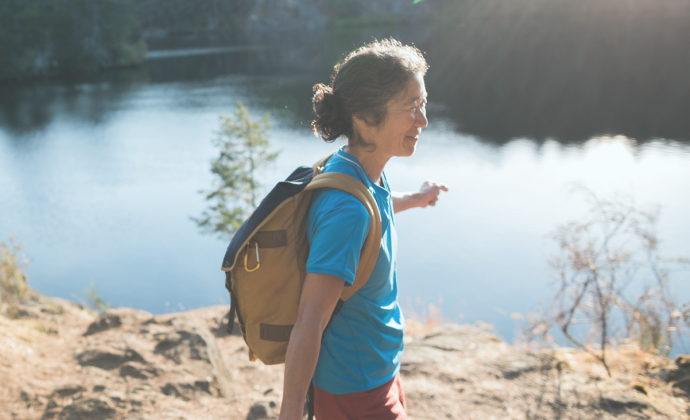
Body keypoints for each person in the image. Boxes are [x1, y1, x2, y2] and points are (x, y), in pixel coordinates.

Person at [278, 38, 448, 420]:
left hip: (378, 371)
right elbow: (309, 321)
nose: (423, 120)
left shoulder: (355, 169)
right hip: (355, 392)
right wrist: (290, 412)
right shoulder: (347, 211)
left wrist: (416, 198)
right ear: (365, 119)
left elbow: (374, 208)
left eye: (423, 103)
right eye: (411, 107)